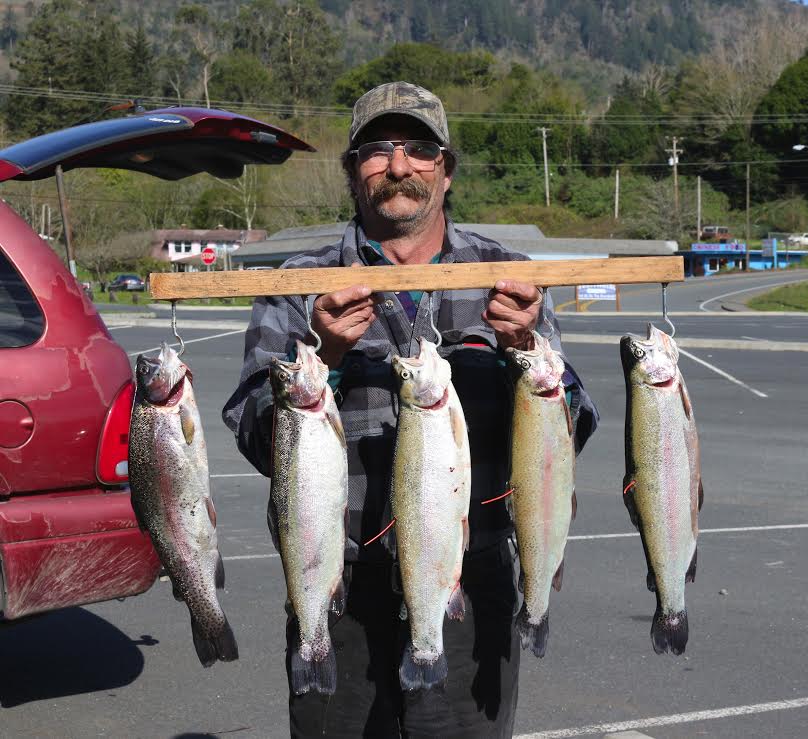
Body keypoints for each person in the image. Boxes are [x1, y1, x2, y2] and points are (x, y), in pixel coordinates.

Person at [222, 81, 597, 738]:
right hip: (337, 587)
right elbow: (256, 432)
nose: (399, 166)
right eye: (378, 150)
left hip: (469, 584)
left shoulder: (507, 274)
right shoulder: (297, 284)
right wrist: (325, 355)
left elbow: (574, 422)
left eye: (419, 149)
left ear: (445, 171)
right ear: (352, 172)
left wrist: (527, 349)